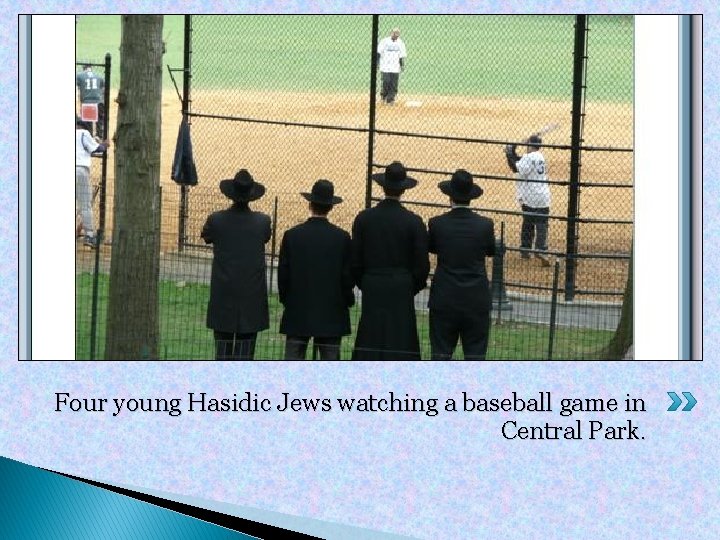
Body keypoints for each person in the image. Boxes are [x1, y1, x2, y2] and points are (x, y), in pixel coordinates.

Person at [351, 161, 430, 360]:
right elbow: (422, 266)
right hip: (401, 285)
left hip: (373, 282)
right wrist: (410, 284)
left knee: (370, 334)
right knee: (401, 336)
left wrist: (366, 281)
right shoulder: (413, 222)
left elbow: (356, 260)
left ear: (382, 186)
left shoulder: (364, 219)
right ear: (403, 190)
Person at [278, 179, 355, 360]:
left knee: (292, 363)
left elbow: (283, 275)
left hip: (298, 309)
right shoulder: (342, 238)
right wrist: (346, 300)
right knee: (330, 363)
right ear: (331, 207)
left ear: (310, 204)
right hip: (332, 311)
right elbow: (347, 277)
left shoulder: (292, 236)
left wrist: (287, 299)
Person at [201, 169, 272, 360]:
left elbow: (206, 236)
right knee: (245, 354)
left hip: (223, 294)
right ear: (251, 195)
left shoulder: (216, 220)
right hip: (251, 296)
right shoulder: (262, 222)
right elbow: (265, 237)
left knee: (222, 353)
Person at [428, 170, 495, 360]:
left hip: (445, 297)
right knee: (475, 357)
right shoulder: (485, 225)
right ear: (471, 198)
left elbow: (432, 248)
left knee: (440, 355)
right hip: (476, 300)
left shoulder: (437, 224)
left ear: (450, 196)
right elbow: (491, 250)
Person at [505, 134, 551, 266]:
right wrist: (512, 151)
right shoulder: (539, 156)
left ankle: (525, 249)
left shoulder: (529, 157)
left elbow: (515, 167)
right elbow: (519, 160)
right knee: (542, 224)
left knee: (528, 222)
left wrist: (508, 153)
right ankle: (541, 249)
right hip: (543, 196)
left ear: (530, 145)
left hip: (530, 196)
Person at [76, 118, 108, 249]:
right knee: (85, 204)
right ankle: (89, 235)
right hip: (79, 169)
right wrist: (105, 145)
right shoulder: (83, 133)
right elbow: (97, 149)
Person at [377, 27, 407, 105]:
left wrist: (401, 65)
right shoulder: (384, 41)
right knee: (386, 82)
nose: (396, 34)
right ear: (391, 33)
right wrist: (377, 63)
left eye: (397, 33)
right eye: (394, 33)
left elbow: (401, 56)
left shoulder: (400, 43)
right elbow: (378, 53)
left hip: (395, 67)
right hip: (385, 66)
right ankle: (383, 97)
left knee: (394, 84)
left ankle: (391, 99)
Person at [76, 64, 105, 138]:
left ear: (84, 69)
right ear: (91, 68)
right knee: (100, 120)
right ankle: (99, 136)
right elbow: (102, 87)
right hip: (99, 102)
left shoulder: (79, 75)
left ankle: (90, 136)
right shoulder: (98, 75)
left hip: (86, 102)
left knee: (88, 122)